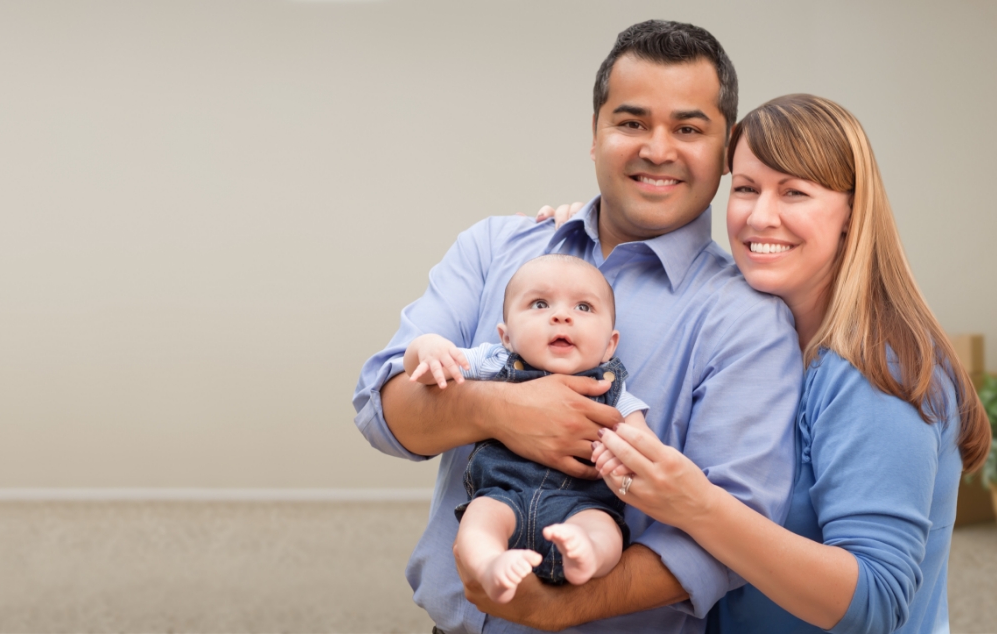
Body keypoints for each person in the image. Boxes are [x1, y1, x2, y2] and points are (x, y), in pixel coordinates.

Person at [352, 20, 803, 634]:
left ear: (726, 153)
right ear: (595, 135)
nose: (658, 148)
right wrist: (500, 410)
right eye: (632, 122)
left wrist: (560, 607)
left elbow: (732, 534)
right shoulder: (495, 247)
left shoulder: (748, 320)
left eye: (689, 128)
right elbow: (381, 410)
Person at [588, 94, 992, 634]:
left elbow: (875, 602)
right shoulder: (760, 339)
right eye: (747, 188)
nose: (760, 216)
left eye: (795, 192)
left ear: (852, 212)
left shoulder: (875, 368)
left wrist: (697, 506)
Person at [403, 255, 651, 600]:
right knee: (479, 521)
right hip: (503, 494)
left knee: (604, 530)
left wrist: (631, 457)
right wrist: (426, 349)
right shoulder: (494, 361)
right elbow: (428, 371)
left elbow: (643, 446)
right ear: (506, 336)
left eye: (583, 307)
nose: (561, 316)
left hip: (583, 503)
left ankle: (586, 557)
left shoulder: (613, 388)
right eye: (539, 303)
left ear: (610, 344)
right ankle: (490, 565)